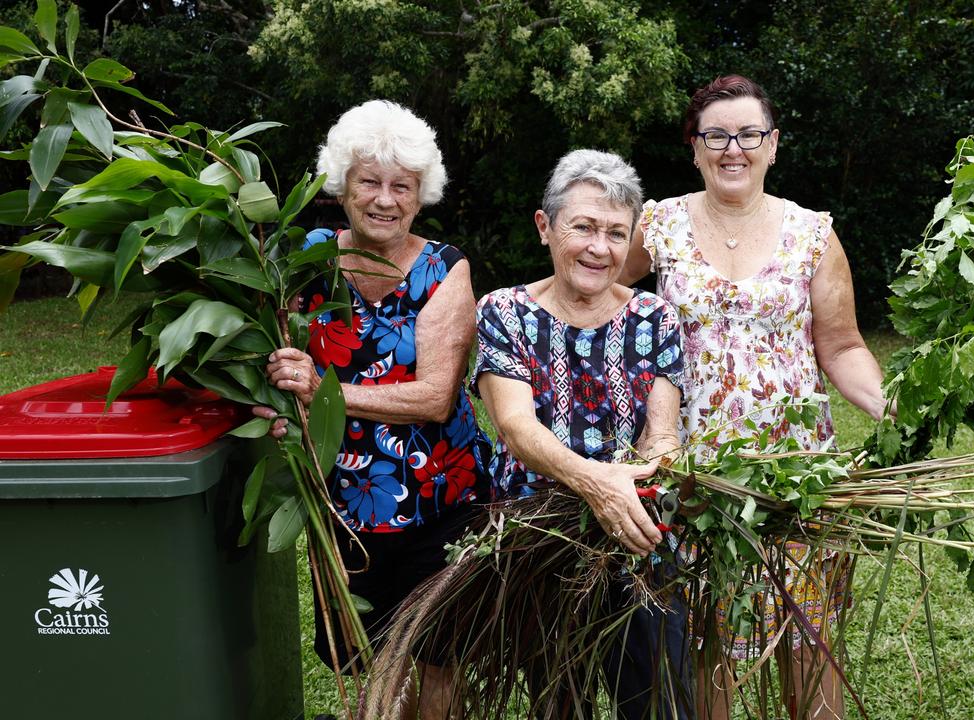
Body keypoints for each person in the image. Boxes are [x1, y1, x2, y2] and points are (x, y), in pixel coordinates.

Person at [620, 74, 892, 720]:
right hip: (694, 481)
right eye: (716, 134)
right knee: (710, 652)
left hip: (796, 477)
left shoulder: (812, 236)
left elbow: (844, 346)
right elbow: (600, 291)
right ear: (694, 148)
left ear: (773, 146)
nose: (732, 148)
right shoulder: (657, 227)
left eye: (749, 134)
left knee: (809, 643)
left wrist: (895, 410)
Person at [255, 99, 491, 720]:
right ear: (343, 186)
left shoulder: (445, 268)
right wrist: (280, 396)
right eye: (369, 182)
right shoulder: (305, 258)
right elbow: (271, 360)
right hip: (340, 499)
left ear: (421, 195)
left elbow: (437, 397)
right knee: (362, 662)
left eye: (402, 186)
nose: (385, 199)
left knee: (441, 660)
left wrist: (322, 393)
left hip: (440, 496)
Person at [473, 149, 691, 719]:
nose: (600, 248)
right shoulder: (504, 312)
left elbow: (662, 433)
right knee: (558, 699)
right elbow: (516, 426)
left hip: (640, 530)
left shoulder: (654, 316)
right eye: (585, 227)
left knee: (660, 698)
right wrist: (598, 485)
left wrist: (643, 483)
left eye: (617, 233)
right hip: (541, 533)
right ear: (545, 228)